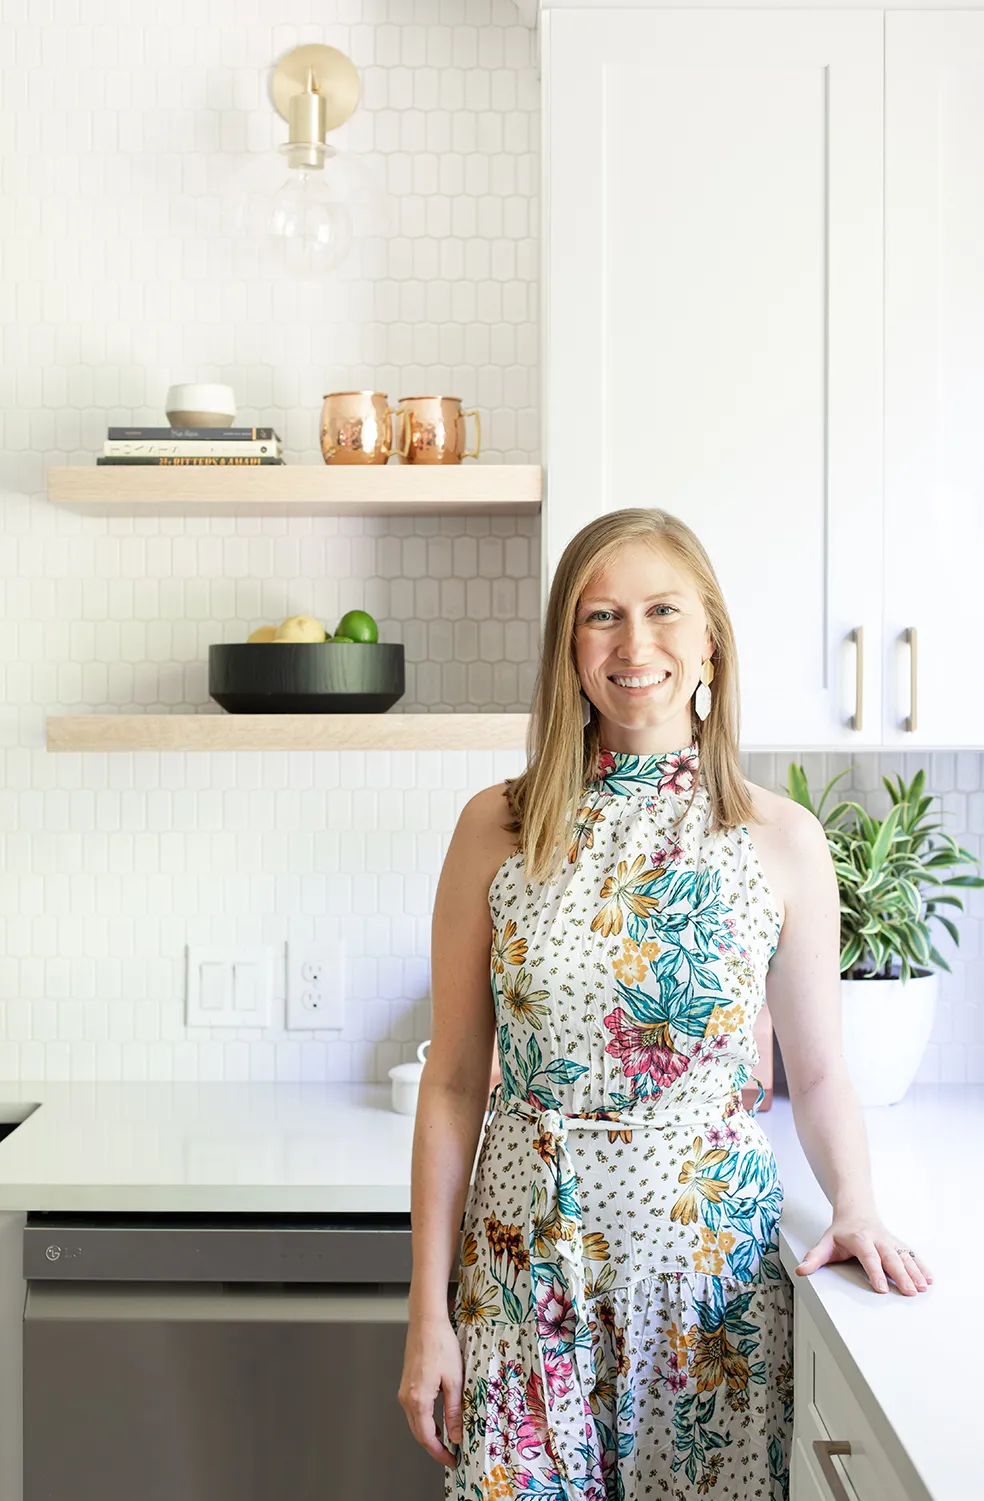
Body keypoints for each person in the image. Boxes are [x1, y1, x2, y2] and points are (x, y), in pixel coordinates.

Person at [398, 508, 931, 1501]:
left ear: (709, 639)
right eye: (600, 616)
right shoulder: (497, 826)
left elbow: (817, 1073)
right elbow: (454, 1079)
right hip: (522, 1275)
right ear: (568, 645)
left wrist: (855, 1203)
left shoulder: (781, 839)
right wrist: (428, 1309)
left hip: (708, 1289)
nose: (633, 644)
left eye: (661, 611)